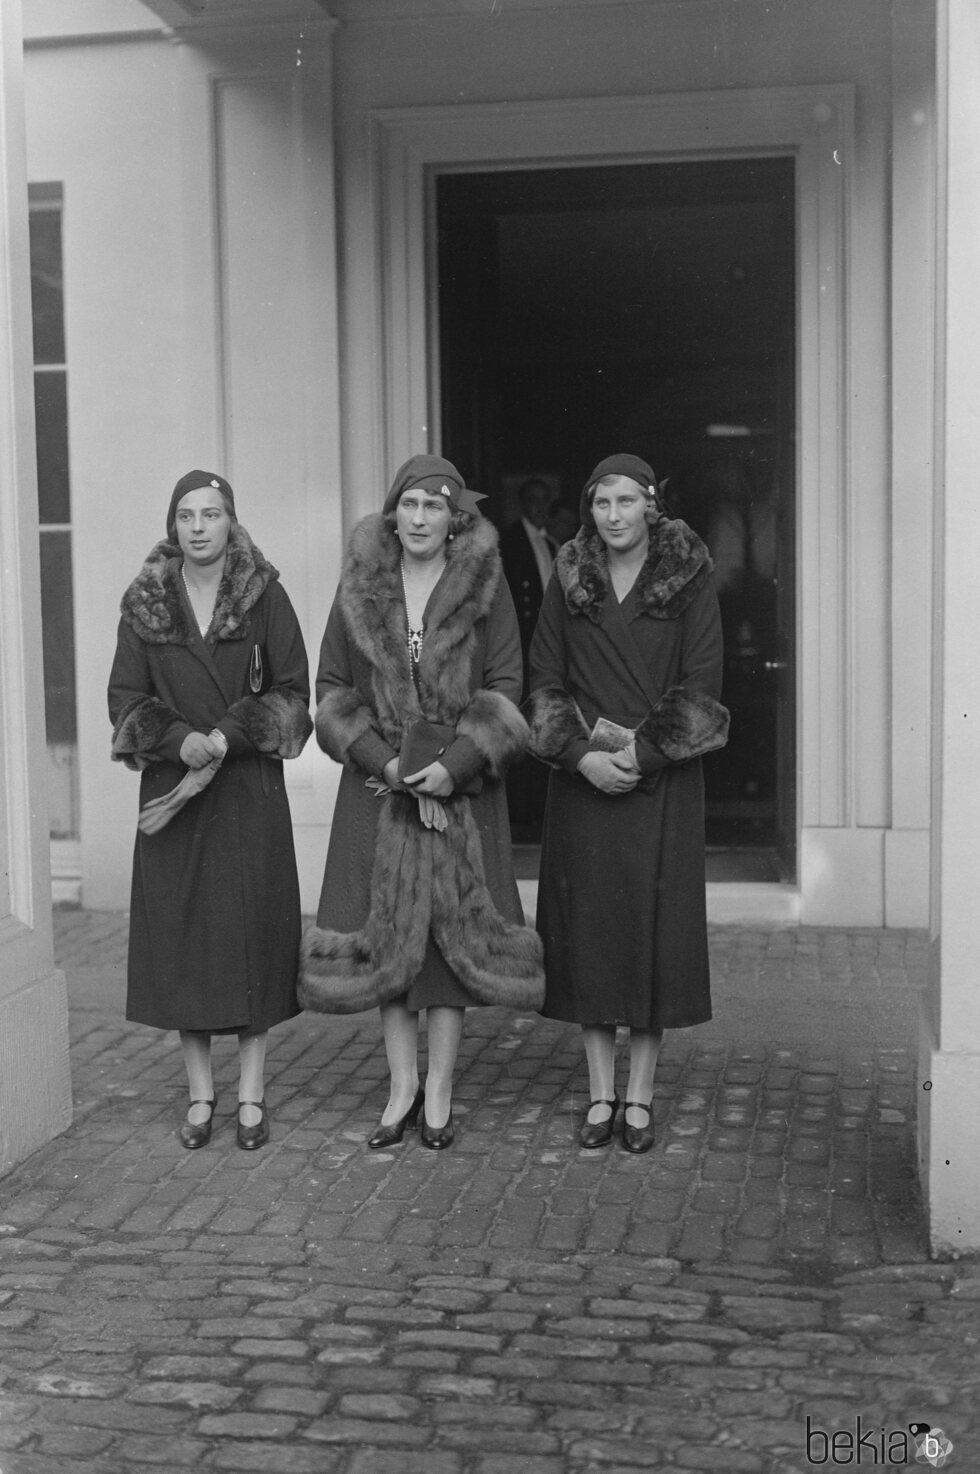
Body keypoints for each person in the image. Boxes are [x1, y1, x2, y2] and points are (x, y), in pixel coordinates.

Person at [299, 454, 544, 1150]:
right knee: (386, 935)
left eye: (434, 507)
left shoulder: (485, 592)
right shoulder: (361, 588)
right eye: (408, 506)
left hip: (459, 797)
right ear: (392, 513)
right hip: (379, 791)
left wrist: (455, 765)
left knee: (448, 940)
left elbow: (505, 689)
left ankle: (439, 1088)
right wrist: (386, 763)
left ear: (455, 518)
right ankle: (401, 1085)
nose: (419, 519)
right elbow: (332, 690)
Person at [526, 453, 729, 1153]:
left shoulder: (690, 576)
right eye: (600, 503)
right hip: (583, 780)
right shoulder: (568, 574)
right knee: (591, 938)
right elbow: (544, 677)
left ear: (651, 506)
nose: (613, 516)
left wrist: (638, 758)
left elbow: (703, 685)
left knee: (651, 936)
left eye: (626, 502)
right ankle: (598, 1093)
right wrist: (581, 756)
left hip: (660, 780)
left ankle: (639, 1096)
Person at [108, 469, 312, 1152]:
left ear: (232, 522)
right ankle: (201, 1093)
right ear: (174, 525)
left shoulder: (265, 597)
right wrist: (176, 740)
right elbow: (125, 699)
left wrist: (227, 733)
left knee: (251, 939)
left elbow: (292, 693)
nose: (200, 527)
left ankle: (251, 1094)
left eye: (213, 514)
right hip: (176, 799)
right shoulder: (145, 604)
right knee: (185, 942)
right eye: (188, 516)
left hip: (246, 794)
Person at [500, 477, 560, 836]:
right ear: (523, 503)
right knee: (520, 724)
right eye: (532, 499)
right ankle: (521, 811)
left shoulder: (551, 543)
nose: (539, 506)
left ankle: (538, 808)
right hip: (520, 648)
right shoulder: (509, 542)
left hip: (547, 647)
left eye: (544, 500)